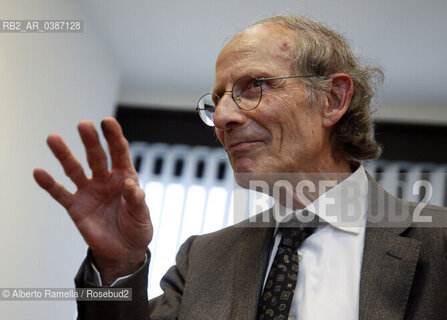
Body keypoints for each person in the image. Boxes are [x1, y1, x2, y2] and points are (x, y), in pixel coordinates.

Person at [34, 15, 446, 320]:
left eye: (255, 86)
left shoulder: (438, 241)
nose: (224, 117)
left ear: (332, 99)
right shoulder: (202, 258)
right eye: (218, 100)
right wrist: (119, 266)